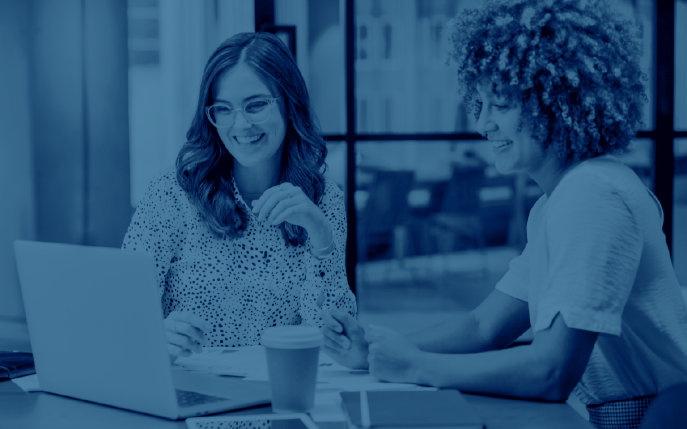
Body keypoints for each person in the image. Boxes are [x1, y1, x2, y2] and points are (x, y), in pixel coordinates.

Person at [322, 1, 687, 427]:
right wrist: (376, 350)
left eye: (501, 105)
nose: (483, 125)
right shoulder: (560, 201)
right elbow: (483, 326)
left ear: (555, 100)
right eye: (480, 105)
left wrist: (416, 366)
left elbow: (551, 372)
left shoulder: (592, 196)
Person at [122, 32, 356, 361]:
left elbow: (338, 341)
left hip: (280, 392)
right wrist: (153, 336)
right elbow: (121, 313)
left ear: (290, 104)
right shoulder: (171, 194)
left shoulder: (323, 199)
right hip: (192, 392)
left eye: (256, 105)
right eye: (224, 109)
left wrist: (321, 238)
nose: (240, 124)